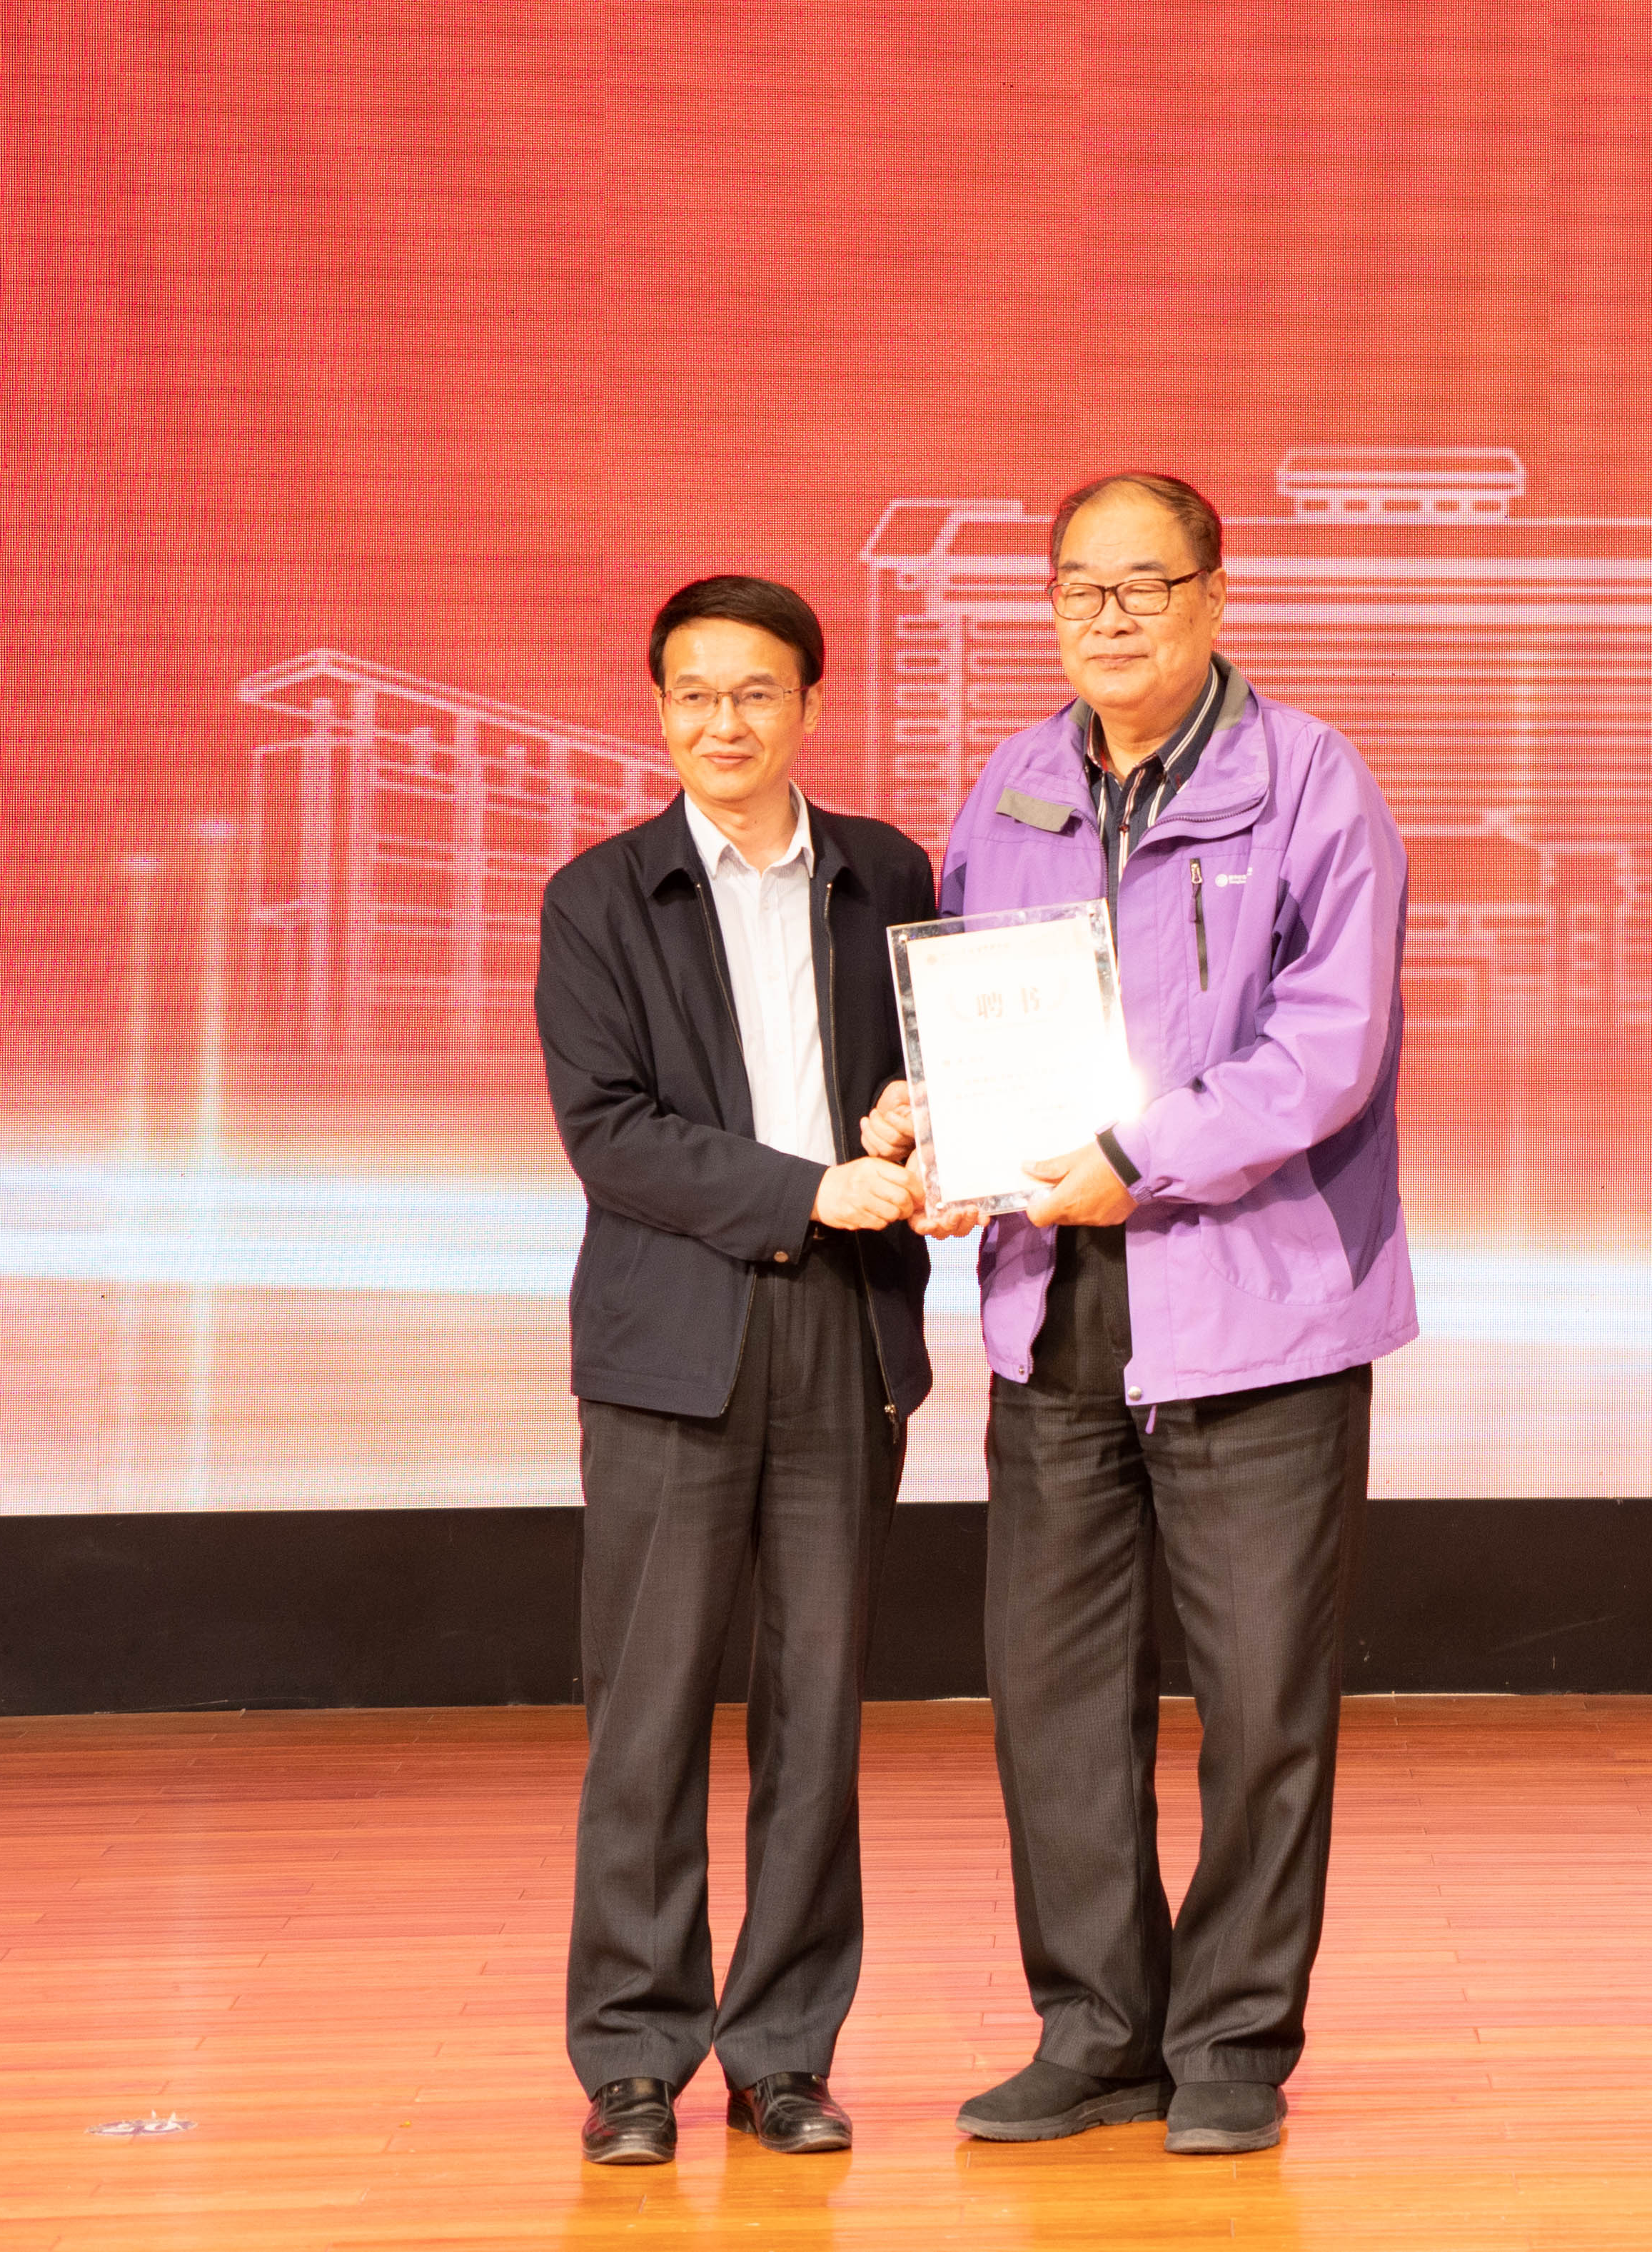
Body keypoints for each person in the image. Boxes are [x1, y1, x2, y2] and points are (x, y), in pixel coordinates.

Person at [870, 471, 1414, 2157]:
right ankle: (1097, 2028)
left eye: (1142, 586)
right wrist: (931, 1122)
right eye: (1077, 590)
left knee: (1259, 1701)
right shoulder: (1014, 783)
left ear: (1212, 595)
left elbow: (1326, 1045)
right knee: (1053, 1693)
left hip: (1254, 1296)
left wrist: (1135, 1156)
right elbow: (972, 1010)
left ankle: (1232, 2036)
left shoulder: (1309, 781)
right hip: (1054, 1300)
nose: (1106, 618)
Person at [535, 575, 938, 2165]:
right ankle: (634, 2055)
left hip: (843, 1328)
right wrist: (806, 1188)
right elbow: (610, 1133)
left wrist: (914, 1123)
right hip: (670, 1343)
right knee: (644, 1712)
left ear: (810, 705)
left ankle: (783, 2051)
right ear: (658, 709)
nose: (725, 721)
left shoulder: (886, 873)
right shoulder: (598, 897)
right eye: (695, 693)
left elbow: (931, 1071)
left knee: (816, 1711)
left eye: (757, 691)